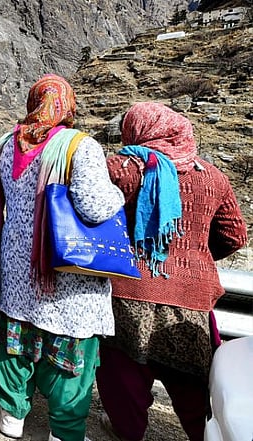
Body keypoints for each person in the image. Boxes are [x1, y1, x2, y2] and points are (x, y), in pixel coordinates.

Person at [0, 74, 125, 441]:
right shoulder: (79, 145)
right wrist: (119, 195)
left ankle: (12, 415)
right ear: (67, 106)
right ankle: (63, 429)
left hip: (17, 270)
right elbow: (95, 206)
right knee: (70, 356)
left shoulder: (5, 144)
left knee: (17, 343)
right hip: (66, 276)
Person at [97, 102, 247, 441]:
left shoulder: (128, 168)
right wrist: (197, 257)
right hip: (192, 299)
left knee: (124, 374)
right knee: (192, 385)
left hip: (130, 290)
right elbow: (236, 235)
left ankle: (127, 431)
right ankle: (204, 434)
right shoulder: (213, 177)